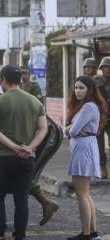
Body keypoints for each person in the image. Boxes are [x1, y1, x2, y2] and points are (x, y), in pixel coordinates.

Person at [0, 65, 48, 240]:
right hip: (27, 158)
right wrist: (29, 148)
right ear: (20, 80)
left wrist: (14, 147)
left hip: (3, 158)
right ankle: (19, 235)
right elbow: (43, 129)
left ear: (4, 81)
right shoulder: (35, 102)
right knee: (21, 198)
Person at [65, 76, 107, 240]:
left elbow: (73, 131)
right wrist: (71, 128)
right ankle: (92, 232)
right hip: (84, 147)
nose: (77, 91)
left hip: (83, 149)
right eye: (76, 88)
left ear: (89, 89)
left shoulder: (89, 107)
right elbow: (69, 129)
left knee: (82, 194)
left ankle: (86, 234)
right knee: (85, 194)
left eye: (81, 88)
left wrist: (71, 129)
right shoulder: (85, 106)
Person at [20, 64, 59, 226]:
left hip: (30, 131)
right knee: (23, 175)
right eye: (21, 73)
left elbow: (38, 107)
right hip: (25, 131)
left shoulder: (33, 87)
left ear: (29, 74)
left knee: (23, 174)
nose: (24, 76)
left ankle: (45, 204)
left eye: (26, 73)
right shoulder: (18, 86)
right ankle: (46, 203)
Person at [93, 56, 110, 179]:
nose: (108, 69)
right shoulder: (95, 82)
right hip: (100, 118)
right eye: (105, 67)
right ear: (101, 68)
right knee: (99, 145)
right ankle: (102, 168)